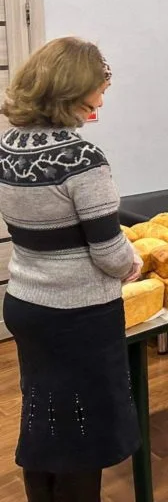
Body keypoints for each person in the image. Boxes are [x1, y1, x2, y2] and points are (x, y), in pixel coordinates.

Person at [0, 37, 142, 502]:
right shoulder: (82, 159)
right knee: (85, 432)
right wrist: (133, 261)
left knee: (44, 421)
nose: (102, 99)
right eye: (98, 89)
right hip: (77, 314)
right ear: (69, 92)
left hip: (25, 304)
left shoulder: (7, 147)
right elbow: (108, 251)